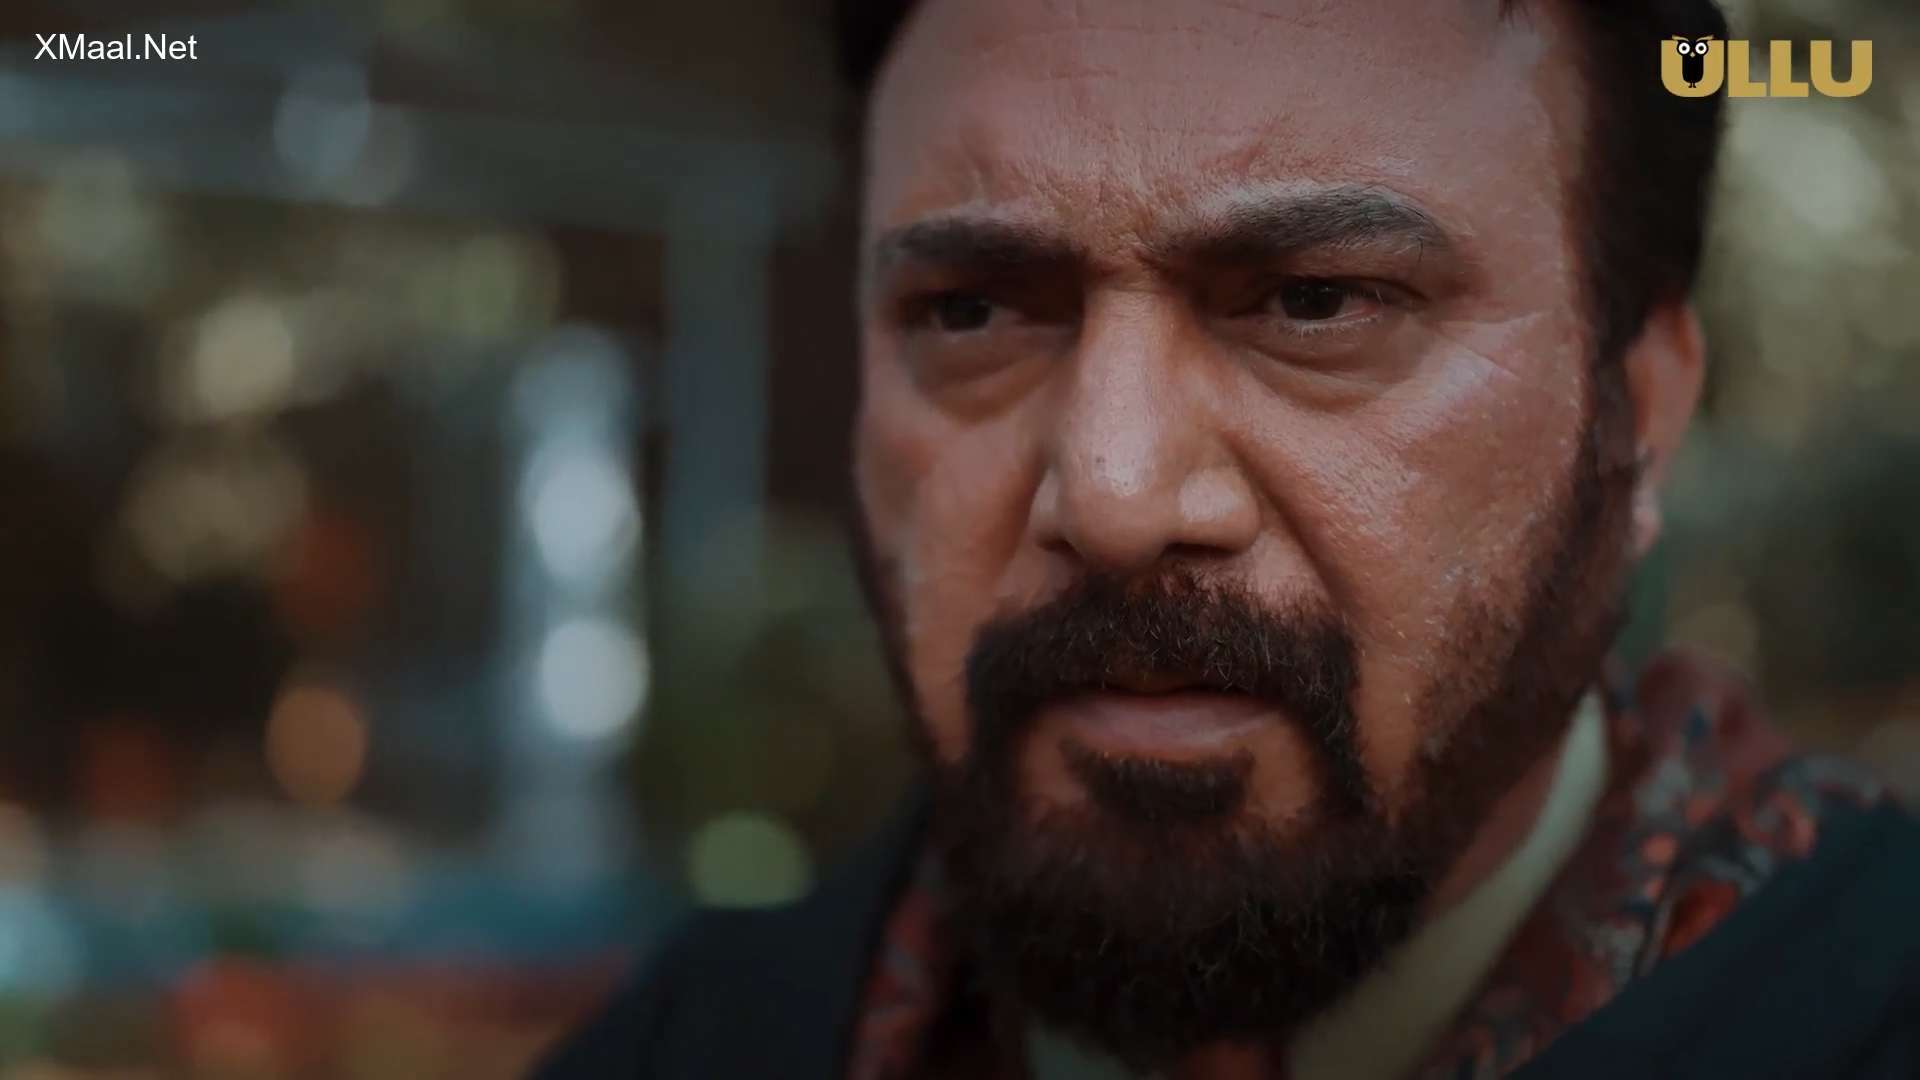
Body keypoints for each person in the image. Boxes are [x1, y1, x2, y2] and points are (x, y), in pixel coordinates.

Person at [534, 1, 1920, 1076]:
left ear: (1644, 410)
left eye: (1316, 302)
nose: (1115, 497)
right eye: (971, 313)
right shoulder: (695, 1046)